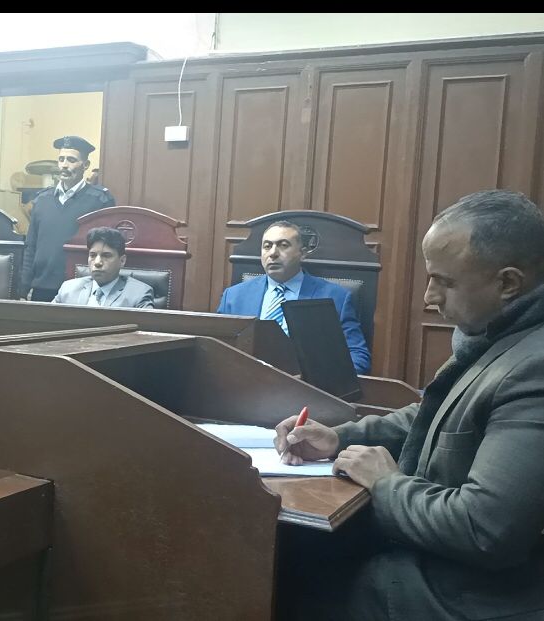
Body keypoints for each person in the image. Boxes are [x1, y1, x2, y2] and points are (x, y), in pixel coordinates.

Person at [275, 189, 544, 620]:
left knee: (285, 576)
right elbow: (434, 414)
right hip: (442, 562)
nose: (429, 298)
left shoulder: (534, 366)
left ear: (508, 283)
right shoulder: (500, 335)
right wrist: (338, 438)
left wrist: (386, 484)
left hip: (475, 595)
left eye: (445, 282)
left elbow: (484, 530)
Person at [216, 220, 370, 374]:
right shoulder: (234, 296)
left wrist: (316, 379)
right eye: (267, 246)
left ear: (302, 254)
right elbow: (218, 348)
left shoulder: (335, 297)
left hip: (306, 386)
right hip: (246, 381)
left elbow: (358, 356)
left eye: (283, 245)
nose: (273, 253)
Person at [20, 135, 116, 302]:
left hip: (82, 288)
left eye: (71, 160)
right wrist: (23, 288)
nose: (64, 165)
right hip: (42, 288)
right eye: (61, 159)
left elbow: (108, 250)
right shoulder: (42, 200)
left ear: (85, 165)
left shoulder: (100, 200)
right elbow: (31, 247)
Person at [52, 227, 154, 308]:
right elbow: (48, 322)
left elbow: (148, 327)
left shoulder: (139, 294)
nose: (97, 262)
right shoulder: (68, 289)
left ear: (122, 261)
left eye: (106, 256)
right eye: (92, 255)